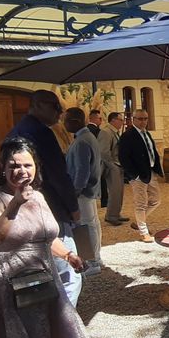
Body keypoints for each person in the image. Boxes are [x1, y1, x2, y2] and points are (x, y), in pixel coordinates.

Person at [0, 137, 98, 338]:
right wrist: (14, 204)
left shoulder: (38, 196)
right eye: (14, 165)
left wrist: (69, 257)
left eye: (27, 164)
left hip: (44, 278)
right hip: (12, 282)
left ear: (36, 167)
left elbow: (45, 237)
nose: (21, 171)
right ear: (3, 167)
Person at [8, 89, 82, 306]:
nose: (60, 112)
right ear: (38, 105)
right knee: (69, 274)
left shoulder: (17, 130)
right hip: (50, 209)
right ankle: (66, 323)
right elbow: (58, 175)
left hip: (22, 209)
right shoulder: (40, 132)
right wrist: (73, 207)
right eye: (55, 106)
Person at [64, 108, 103, 276]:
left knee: (88, 226)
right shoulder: (87, 137)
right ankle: (96, 258)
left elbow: (82, 170)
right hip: (90, 190)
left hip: (83, 192)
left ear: (74, 121)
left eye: (66, 120)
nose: (63, 124)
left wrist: (75, 191)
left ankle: (93, 262)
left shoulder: (81, 141)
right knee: (93, 224)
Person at [119, 109, 162, 242]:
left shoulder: (146, 133)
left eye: (145, 118)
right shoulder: (127, 136)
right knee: (141, 204)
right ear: (134, 120)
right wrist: (134, 175)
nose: (143, 121)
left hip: (150, 172)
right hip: (138, 175)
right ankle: (144, 232)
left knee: (156, 200)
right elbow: (123, 158)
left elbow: (151, 151)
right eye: (140, 119)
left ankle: (138, 222)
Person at [98, 111, 129, 226]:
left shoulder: (114, 132)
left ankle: (116, 213)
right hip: (112, 166)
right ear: (113, 120)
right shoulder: (106, 132)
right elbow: (103, 152)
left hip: (118, 165)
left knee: (119, 192)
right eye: (120, 120)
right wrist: (113, 166)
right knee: (114, 192)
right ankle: (111, 216)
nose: (122, 122)